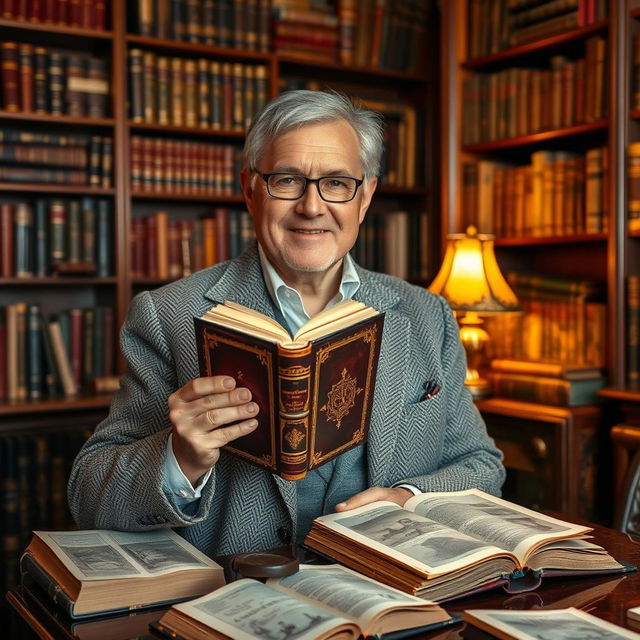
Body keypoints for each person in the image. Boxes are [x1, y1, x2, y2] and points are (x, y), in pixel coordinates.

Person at [68, 90, 505, 557]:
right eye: (288, 180)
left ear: (366, 197)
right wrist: (181, 457)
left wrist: (407, 500)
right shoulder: (167, 314)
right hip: (235, 604)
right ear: (250, 191)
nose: (312, 207)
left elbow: (481, 465)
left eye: (337, 183)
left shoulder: (426, 315)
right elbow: (88, 495)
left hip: (387, 599)